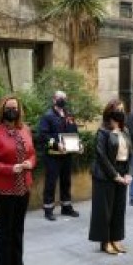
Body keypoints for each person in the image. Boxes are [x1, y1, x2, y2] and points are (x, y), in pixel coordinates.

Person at [0, 95, 36, 265]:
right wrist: (9, 169)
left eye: (15, 107)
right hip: (5, 188)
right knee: (7, 230)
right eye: (8, 107)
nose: (12, 110)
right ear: (2, 110)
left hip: (24, 186)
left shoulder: (25, 130)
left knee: (19, 229)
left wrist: (29, 162)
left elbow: (32, 154)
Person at [88, 99, 133, 255]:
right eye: (117, 109)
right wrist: (115, 176)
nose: (120, 112)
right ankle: (105, 241)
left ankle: (116, 238)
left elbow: (130, 154)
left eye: (122, 109)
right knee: (105, 210)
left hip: (122, 170)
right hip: (104, 175)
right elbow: (101, 156)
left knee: (119, 209)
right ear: (109, 112)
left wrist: (128, 173)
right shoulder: (103, 131)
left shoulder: (125, 131)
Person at [38, 90, 79, 221]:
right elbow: (43, 136)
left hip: (67, 154)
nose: (63, 100)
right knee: (51, 182)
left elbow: (74, 132)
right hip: (53, 156)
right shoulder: (47, 116)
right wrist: (56, 144)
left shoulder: (69, 115)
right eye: (60, 98)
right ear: (54, 99)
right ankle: (48, 209)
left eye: (64, 98)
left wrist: (79, 144)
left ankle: (66, 207)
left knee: (66, 181)